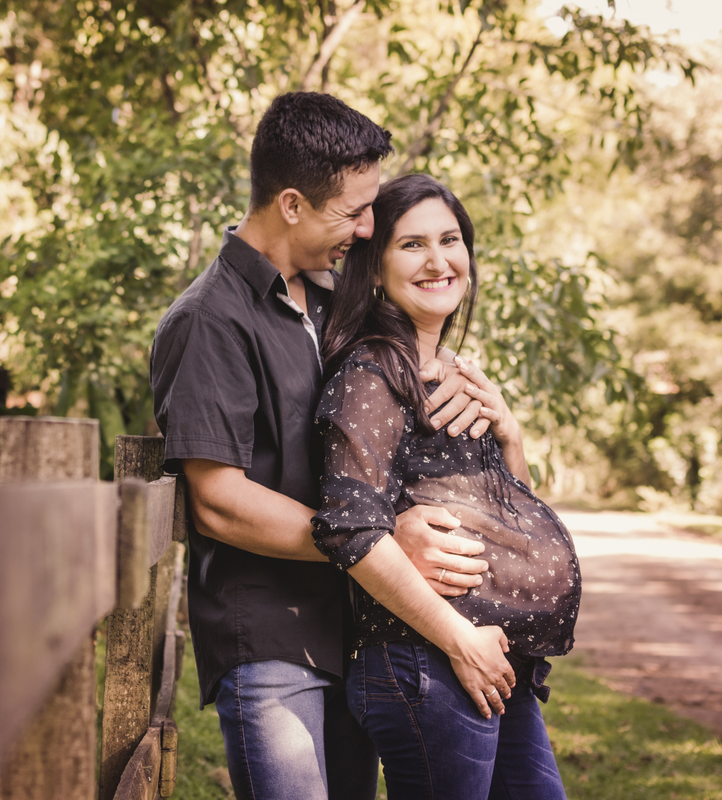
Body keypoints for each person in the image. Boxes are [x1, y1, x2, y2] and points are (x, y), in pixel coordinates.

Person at [151, 93, 498, 800]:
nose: (369, 227)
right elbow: (218, 502)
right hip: (270, 644)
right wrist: (375, 543)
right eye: (352, 212)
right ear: (290, 204)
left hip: (357, 631)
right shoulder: (209, 319)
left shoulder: (333, 299)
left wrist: (492, 412)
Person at [312, 173, 581, 799]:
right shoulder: (373, 372)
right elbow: (350, 531)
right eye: (412, 245)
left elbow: (511, 514)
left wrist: (509, 433)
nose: (438, 261)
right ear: (375, 269)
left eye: (450, 240)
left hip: (489, 658)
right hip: (427, 658)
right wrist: (460, 641)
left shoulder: (454, 374)